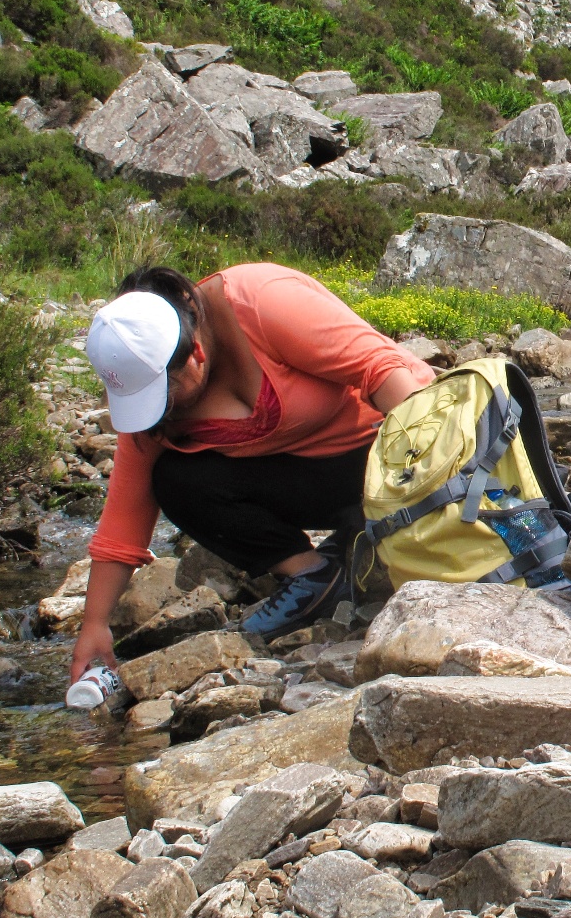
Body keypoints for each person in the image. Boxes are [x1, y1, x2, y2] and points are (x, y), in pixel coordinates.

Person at [70, 263, 435, 685]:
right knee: (175, 479)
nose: (162, 408)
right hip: (311, 483)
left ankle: (369, 532)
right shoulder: (154, 409)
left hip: (385, 454)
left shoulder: (262, 302)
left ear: (196, 355)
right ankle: (316, 574)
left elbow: (384, 371)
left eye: (165, 393)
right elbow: (124, 517)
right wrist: (95, 624)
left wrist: (432, 481)